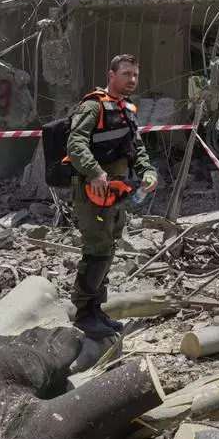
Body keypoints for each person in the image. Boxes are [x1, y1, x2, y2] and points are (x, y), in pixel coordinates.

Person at [65, 53, 158, 338]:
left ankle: (96, 309)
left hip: (116, 193)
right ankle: (83, 313)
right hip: (92, 191)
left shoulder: (128, 108)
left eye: (135, 75)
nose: (132, 79)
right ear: (111, 75)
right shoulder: (93, 106)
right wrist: (94, 171)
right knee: (96, 250)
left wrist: (147, 171)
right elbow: (75, 144)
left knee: (108, 248)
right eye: (126, 73)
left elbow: (136, 148)